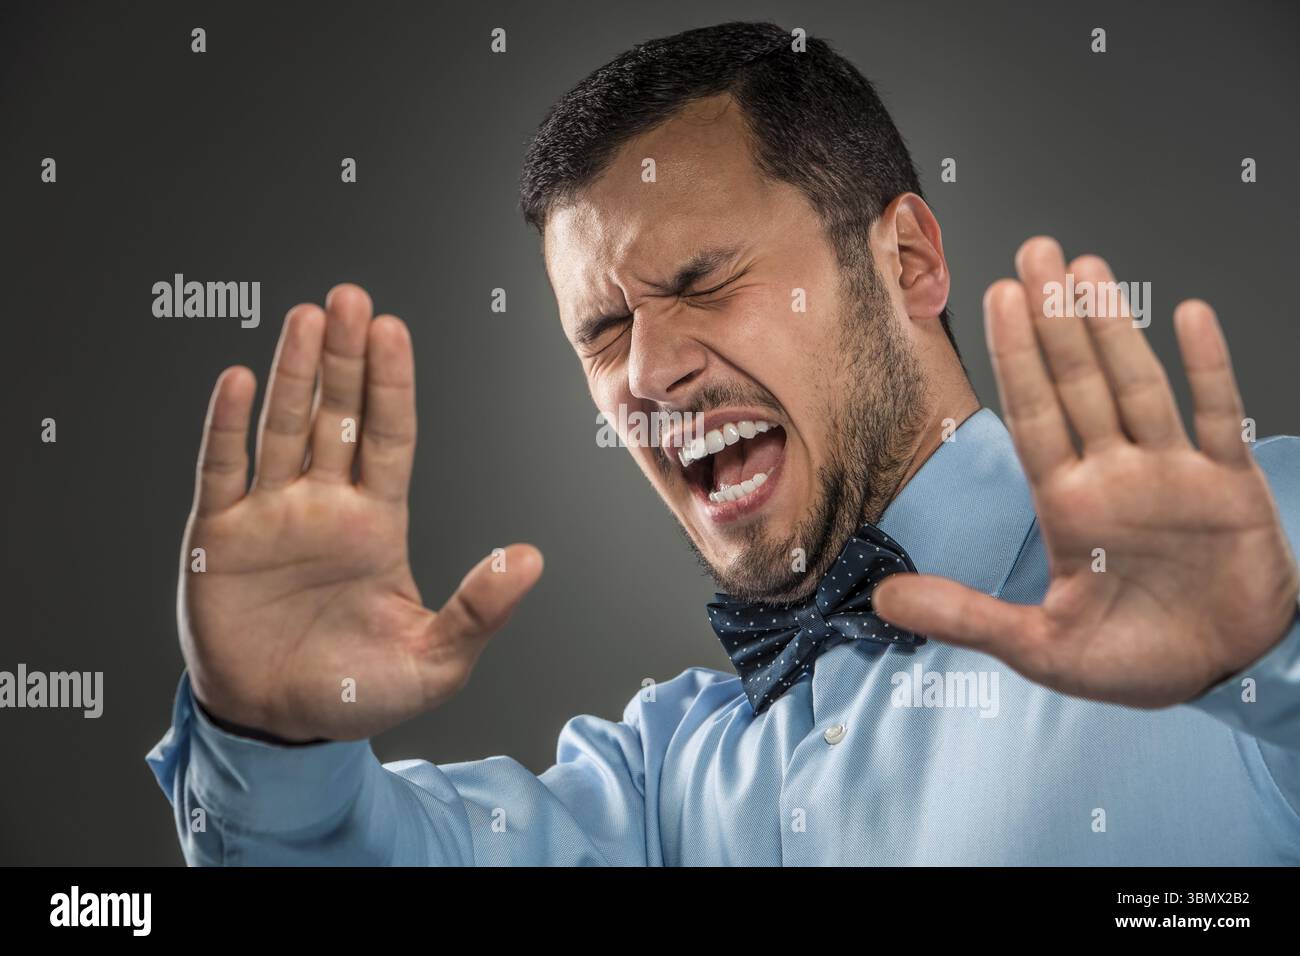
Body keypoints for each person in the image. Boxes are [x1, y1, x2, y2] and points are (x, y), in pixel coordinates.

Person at [147, 21, 1300, 865]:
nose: (647, 371)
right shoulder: (660, 786)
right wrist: (270, 738)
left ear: (903, 263)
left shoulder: (1264, 552)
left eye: (703, 280)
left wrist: (1272, 667)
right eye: (603, 330)